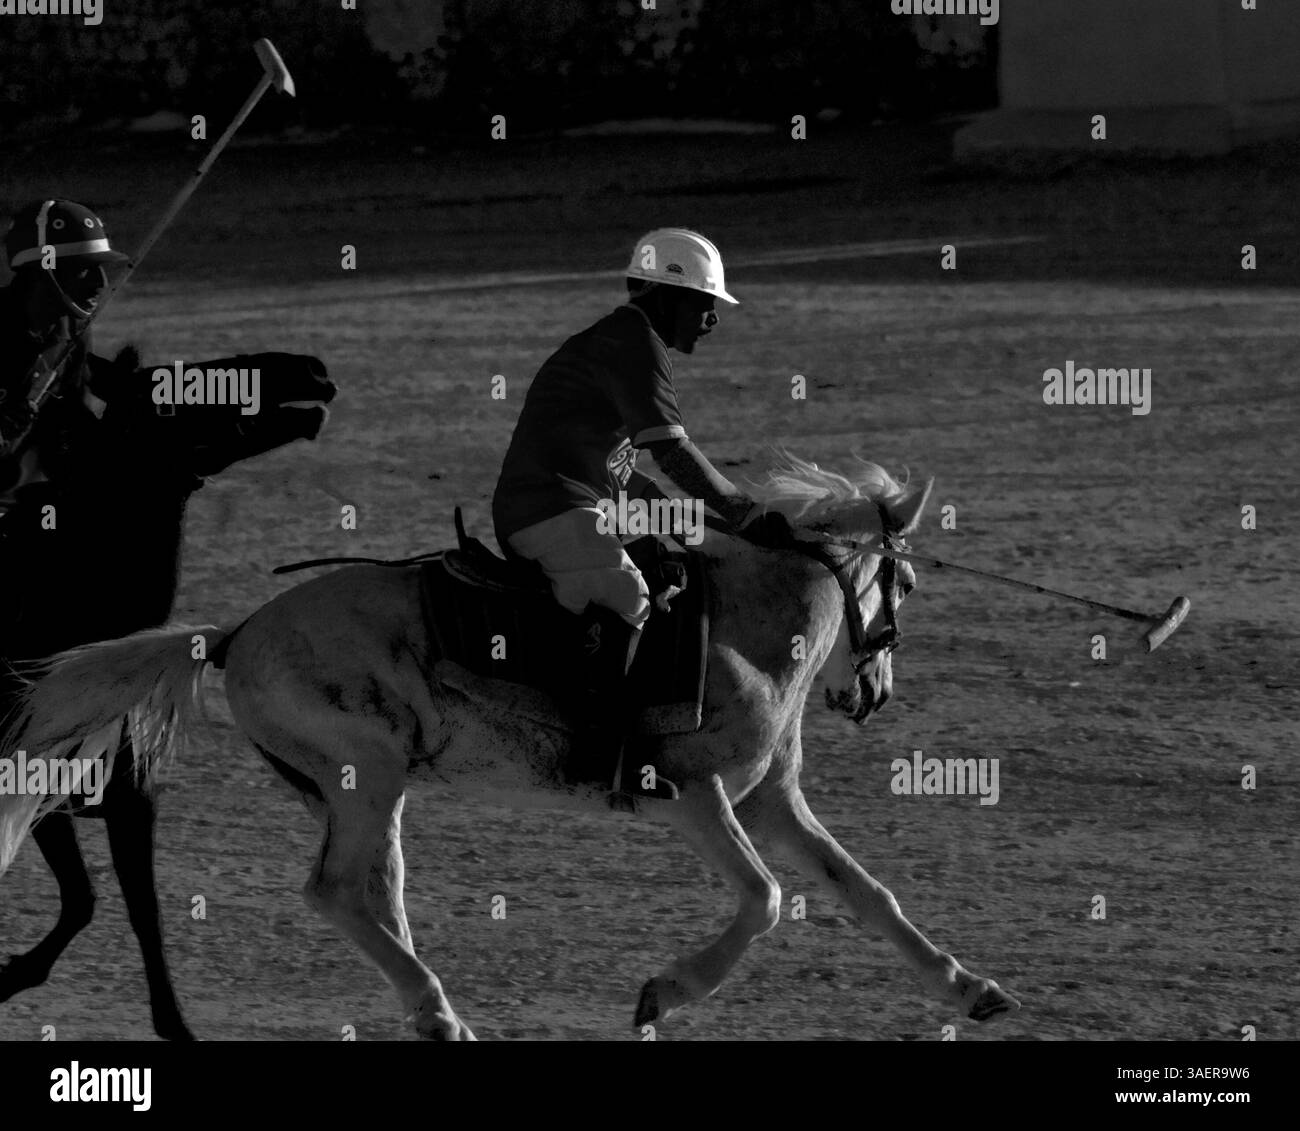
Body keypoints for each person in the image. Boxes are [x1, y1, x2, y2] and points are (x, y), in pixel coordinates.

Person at [492, 228, 798, 806]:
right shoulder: (631, 342)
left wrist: (711, 525)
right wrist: (743, 512)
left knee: (694, 555)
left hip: (584, 502)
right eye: (707, 303)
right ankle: (599, 759)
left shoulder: (629, 339)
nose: (712, 318)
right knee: (626, 594)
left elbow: (628, 474)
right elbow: (673, 452)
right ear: (668, 295)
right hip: (550, 509)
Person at [0, 199, 133, 663]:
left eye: (102, 270)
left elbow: (71, 426)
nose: (99, 284)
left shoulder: (71, 329)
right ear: (42, 271)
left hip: (31, 512)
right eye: (83, 271)